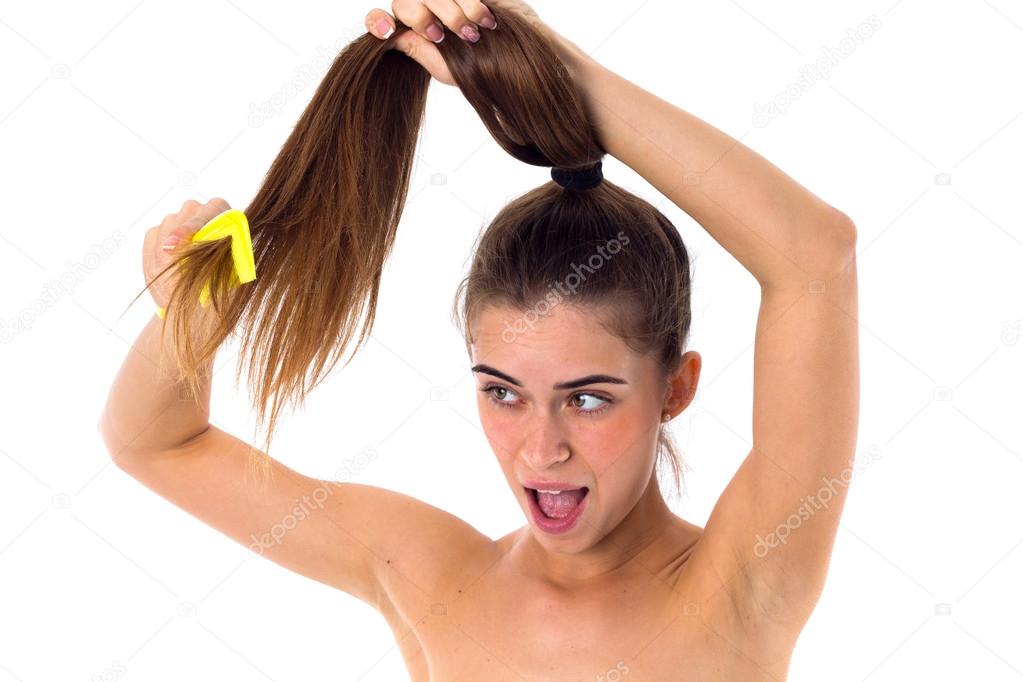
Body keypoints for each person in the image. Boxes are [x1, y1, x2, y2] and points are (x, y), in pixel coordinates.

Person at [100, 1, 859, 678]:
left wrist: (556, 75)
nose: (540, 449)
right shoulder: (429, 574)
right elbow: (156, 445)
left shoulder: (742, 583)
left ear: (676, 388)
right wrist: (189, 325)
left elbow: (811, 256)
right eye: (502, 392)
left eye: (587, 398)